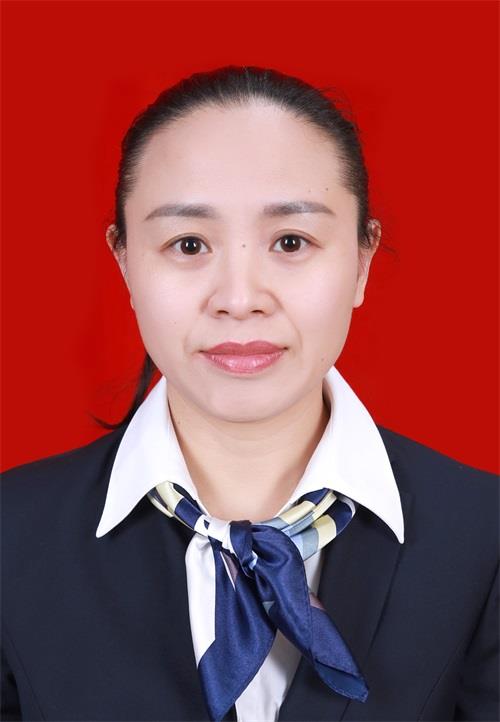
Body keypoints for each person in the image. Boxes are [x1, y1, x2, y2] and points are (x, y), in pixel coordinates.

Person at [1, 65, 498, 722]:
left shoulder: (485, 538)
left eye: (291, 241)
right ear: (124, 262)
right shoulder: (10, 537)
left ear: (362, 260)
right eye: (188, 244)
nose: (239, 299)